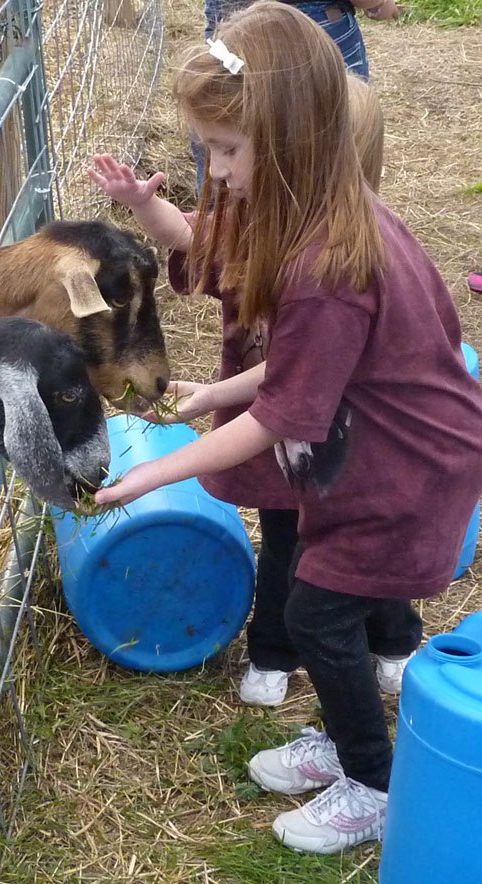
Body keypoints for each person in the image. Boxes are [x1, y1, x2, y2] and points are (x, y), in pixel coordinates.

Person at [89, 1, 482, 854]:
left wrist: (155, 473)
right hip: (377, 452)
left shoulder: (326, 262)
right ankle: (346, 741)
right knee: (320, 604)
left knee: (317, 617)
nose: (216, 172)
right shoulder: (311, 218)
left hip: (405, 473)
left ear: (295, 136)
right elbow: (320, 364)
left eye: (227, 151)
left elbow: (285, 415)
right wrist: (216, 387)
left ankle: (373, 782)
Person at [192, 0, 399, 191]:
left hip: (229, 21)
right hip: (318, 21)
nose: (216, 170)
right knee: (338, 142)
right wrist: (378, 5)